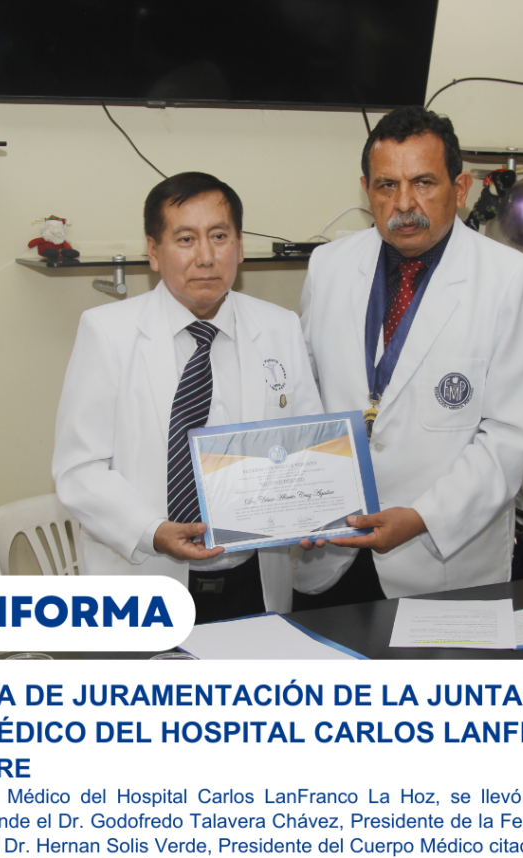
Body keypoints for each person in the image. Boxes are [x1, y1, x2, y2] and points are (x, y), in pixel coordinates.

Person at [294, 106, 523, 606]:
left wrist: (421, 518)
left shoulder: (510, 280)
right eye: (386, 185)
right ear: (366, 189)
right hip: (329, 552)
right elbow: (306, 396)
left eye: (424, 183)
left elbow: (509, 437)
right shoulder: (328, 266)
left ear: (461, 187)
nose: (404, 203)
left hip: (440, 557)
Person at [53, 172, 323, 622]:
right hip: (145, 577)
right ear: (153, 251)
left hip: (255, 581)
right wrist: (153, 531)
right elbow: (78, 470)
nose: (205, 257)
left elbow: (308, 444)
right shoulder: (107, 332)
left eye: (219, 236)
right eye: (185, 239)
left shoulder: (281, 326)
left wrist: (315, 509)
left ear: (239, 246)